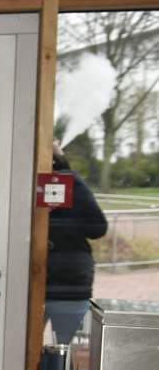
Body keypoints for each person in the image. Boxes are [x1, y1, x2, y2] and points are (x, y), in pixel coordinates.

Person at [45, 140, 107, 346]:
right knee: (70, 351)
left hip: (30, 281)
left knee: (17, 352)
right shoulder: (69, 181)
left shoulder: (16, 181)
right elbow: (97, 228)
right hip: (70, 282)